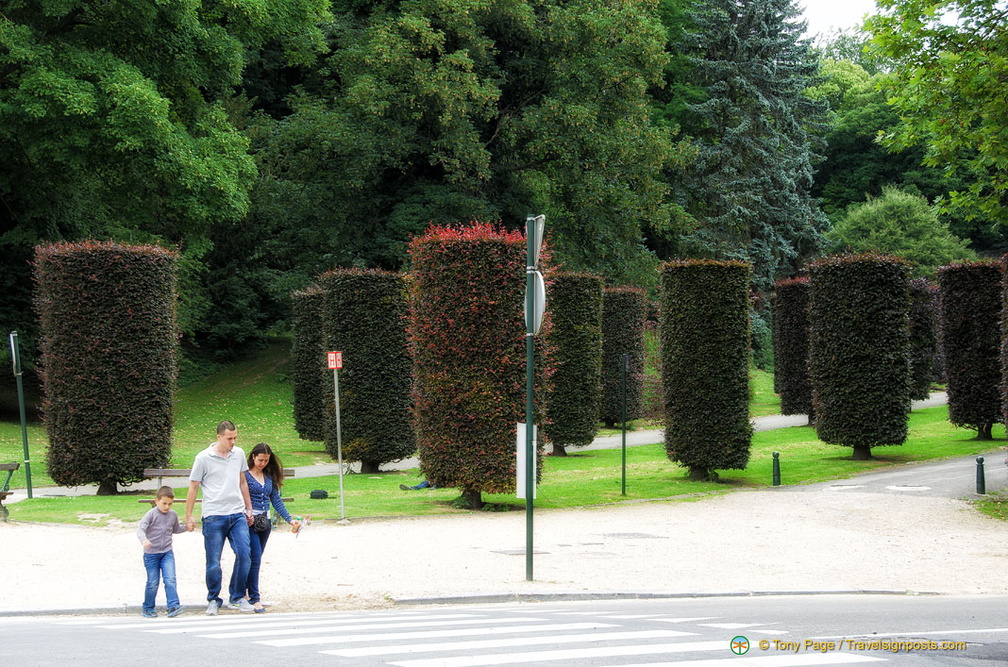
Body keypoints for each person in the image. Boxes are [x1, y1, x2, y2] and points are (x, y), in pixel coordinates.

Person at [186, 420, 255, 615]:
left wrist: (248, 508)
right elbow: (193, 486)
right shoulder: (203, 458)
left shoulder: (239, 454)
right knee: (214, 561)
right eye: (229, 438)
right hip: (214, 514)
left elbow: (243, 482)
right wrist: (189, 515)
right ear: (219, 437)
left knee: (244, 553)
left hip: (236, 512)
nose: (233, 442)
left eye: (235, 438)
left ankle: (237, 596)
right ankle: (213, 599)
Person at [243, 443, 301, 613]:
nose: (263, 463)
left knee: (256, 558)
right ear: (253, 457)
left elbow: (276, 499)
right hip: (250, 521)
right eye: (260, 460)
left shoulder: (268, 476)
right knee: (254, 558)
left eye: (266, 460)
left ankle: (244, 591)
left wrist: (289, 519)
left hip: (265, 522)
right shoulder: (245, 475)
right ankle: (254, 597)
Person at [137, 485, 191, 618]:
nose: (166, 507)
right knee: (153, 581)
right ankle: (148, 608)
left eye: (170, 504)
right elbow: (141, 529)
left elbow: (176, 529)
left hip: (167, 552)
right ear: (157, 501)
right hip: (151, 554)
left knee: (170, 578)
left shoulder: (172, 515)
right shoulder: (151, 514)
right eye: (164, 503)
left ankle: (173, 606)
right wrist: (144, 540)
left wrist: (186, 528)